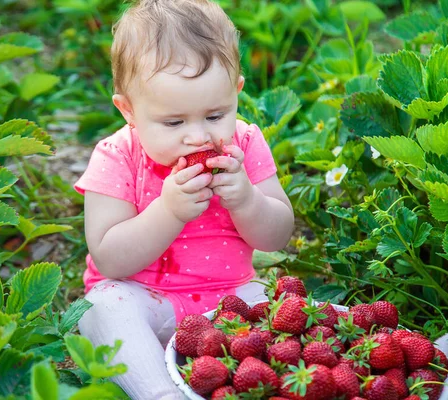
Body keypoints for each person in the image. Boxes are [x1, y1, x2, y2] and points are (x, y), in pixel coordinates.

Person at [74, 0, 295, 398]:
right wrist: (168, 211)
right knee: (102, 309)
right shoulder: (117, 155)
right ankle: (161, 392)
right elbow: (109, 257)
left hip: (230, 297)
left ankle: (401, 365)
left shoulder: (244, 143)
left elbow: (277, 236)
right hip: (143, 299)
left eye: (215, 115)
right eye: (174, 122)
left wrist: (246, 199)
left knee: (284, 308)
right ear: (129, 111)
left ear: (237, 93)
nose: (198, 136)